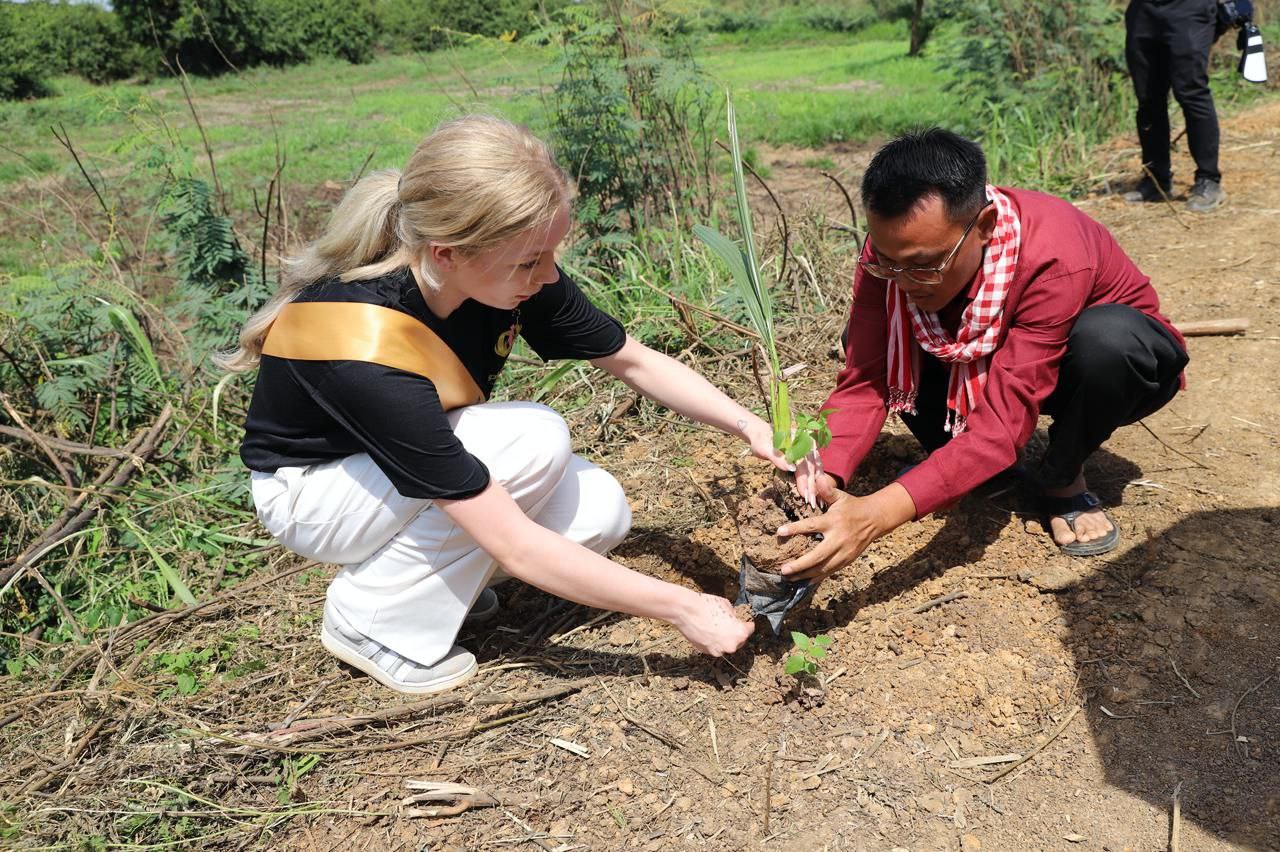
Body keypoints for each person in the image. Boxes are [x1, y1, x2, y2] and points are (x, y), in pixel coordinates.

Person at [220, 115, 769, 695]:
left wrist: (752, 427)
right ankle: (373, 622)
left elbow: (632, 362)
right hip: (317, 495)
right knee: (534, 439)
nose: (549, 275)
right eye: (531, 261)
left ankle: (433, 587)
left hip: (395, 476)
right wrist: (682, 608)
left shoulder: (502, 274)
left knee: (600, 511)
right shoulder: (363, 339)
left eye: (551, 252)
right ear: (447, 253)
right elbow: (513, 544)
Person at [785, 128, 1189, 583]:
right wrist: (823, 474)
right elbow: (867, 378)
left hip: (1092, 369)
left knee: (1109, 344)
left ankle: (1061, 476)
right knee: (882, 340)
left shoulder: (1053, 255)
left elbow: (1002, 422)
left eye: (924, 265)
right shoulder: (893, 255)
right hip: (995, 360)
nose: (903, 280)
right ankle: (970, 466)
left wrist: (878, 512)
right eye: (887, 262)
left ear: (984, 226)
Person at [1123, 0, 1226, 212]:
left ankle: (1208, 179)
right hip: (1143, 10)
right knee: (1148, 97)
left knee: (1191, 92)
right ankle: (1156, 179)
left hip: (1190, 8)